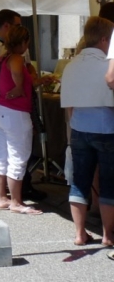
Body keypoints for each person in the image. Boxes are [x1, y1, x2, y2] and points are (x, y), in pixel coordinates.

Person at [0, 9, 46, 203]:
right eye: (17, 25)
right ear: (7, 26)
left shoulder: (13, 50)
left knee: (14, 151)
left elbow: (27, 68)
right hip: (3, 106)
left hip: (9, 105)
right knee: (3, 148)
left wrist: (33, 79)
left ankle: (22, 186)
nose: (21, 29)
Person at [63, 16, 114, 246]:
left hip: (78, 128)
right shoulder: (108, 65)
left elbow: (68, 107)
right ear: (104, 39)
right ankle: (107, 234)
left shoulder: (71, 65)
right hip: (106, 128)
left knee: (79, 181)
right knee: (109, 183)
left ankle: (79, 233)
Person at [0, 25, 43, 215]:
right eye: (27, 42)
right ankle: (16, 202)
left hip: (1, 111)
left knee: (2, 156)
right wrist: (19, 88)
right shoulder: (16, 59)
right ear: (23, 42)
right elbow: (17, 81)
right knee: (18, 157)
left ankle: (2, 198)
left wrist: (38, 81)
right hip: (16, 114)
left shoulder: (0, 58)